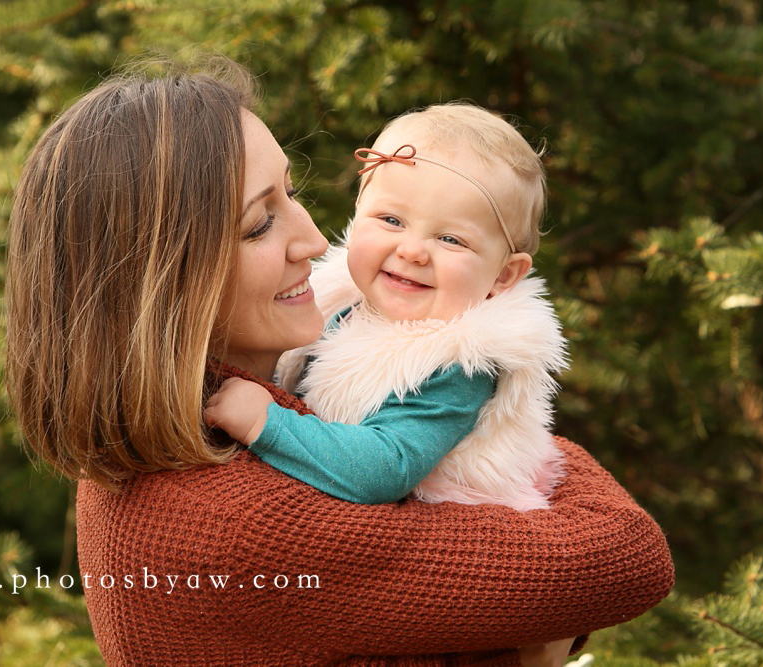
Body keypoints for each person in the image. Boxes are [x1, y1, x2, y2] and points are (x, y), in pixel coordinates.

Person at [5, 58, 674, 667]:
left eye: (290, 194)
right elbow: (622, 557)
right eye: (260, 223)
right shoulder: (239, 525)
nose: (315, 239)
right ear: (163, 283)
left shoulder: (194, 430)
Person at [205, 103, 568, 511]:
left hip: (449, 536)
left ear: (503, 276)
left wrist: (264, 422)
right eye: (392, 220)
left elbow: (384, 469)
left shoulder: (456, 365)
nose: (412, 251)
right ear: (357, 215)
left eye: (451, 239)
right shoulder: (344, 308)